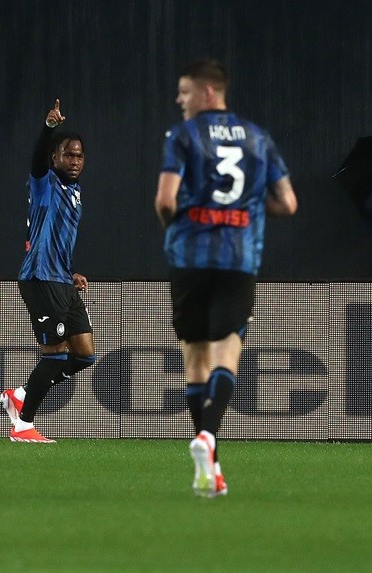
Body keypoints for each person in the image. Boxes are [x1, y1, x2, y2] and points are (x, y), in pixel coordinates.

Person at [155, 59, 298, 498]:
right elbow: (288, 203)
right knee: (226, 352)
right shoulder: (258, 138)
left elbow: (165, 200)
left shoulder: (181, 137)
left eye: (184, 91)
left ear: (208, 93)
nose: (179, 100)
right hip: (237, 260)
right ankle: (209, 440)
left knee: (194, 357)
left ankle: (209, 464)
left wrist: (179, 227)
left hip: (189, 260)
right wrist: (249, 210)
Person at [0, 100, 99, 443]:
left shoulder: (75, 192)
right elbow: (37, 159)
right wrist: (49, 128)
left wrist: (69, 272)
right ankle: (22, 425)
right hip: (40, 279)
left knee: (85, 353)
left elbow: (50, 236)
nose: (74, 161)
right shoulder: (45, 182)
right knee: (55, 354)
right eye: (67, 155)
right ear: (55, 158)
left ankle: (22, 394)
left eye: (79, 155)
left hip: (60, 278)